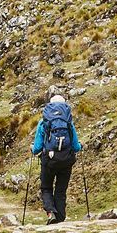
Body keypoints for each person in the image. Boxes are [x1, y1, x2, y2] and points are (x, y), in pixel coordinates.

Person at [31, 92, 80, 222]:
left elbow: (36, 148)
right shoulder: (68, 122)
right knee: (60, 190)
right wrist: (79, 146)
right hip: (66, 161)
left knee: (46, 188)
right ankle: (60, 218)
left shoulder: (44, 122)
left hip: (49, 161)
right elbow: (76, 147)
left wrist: (32, 148)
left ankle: (50, 213)